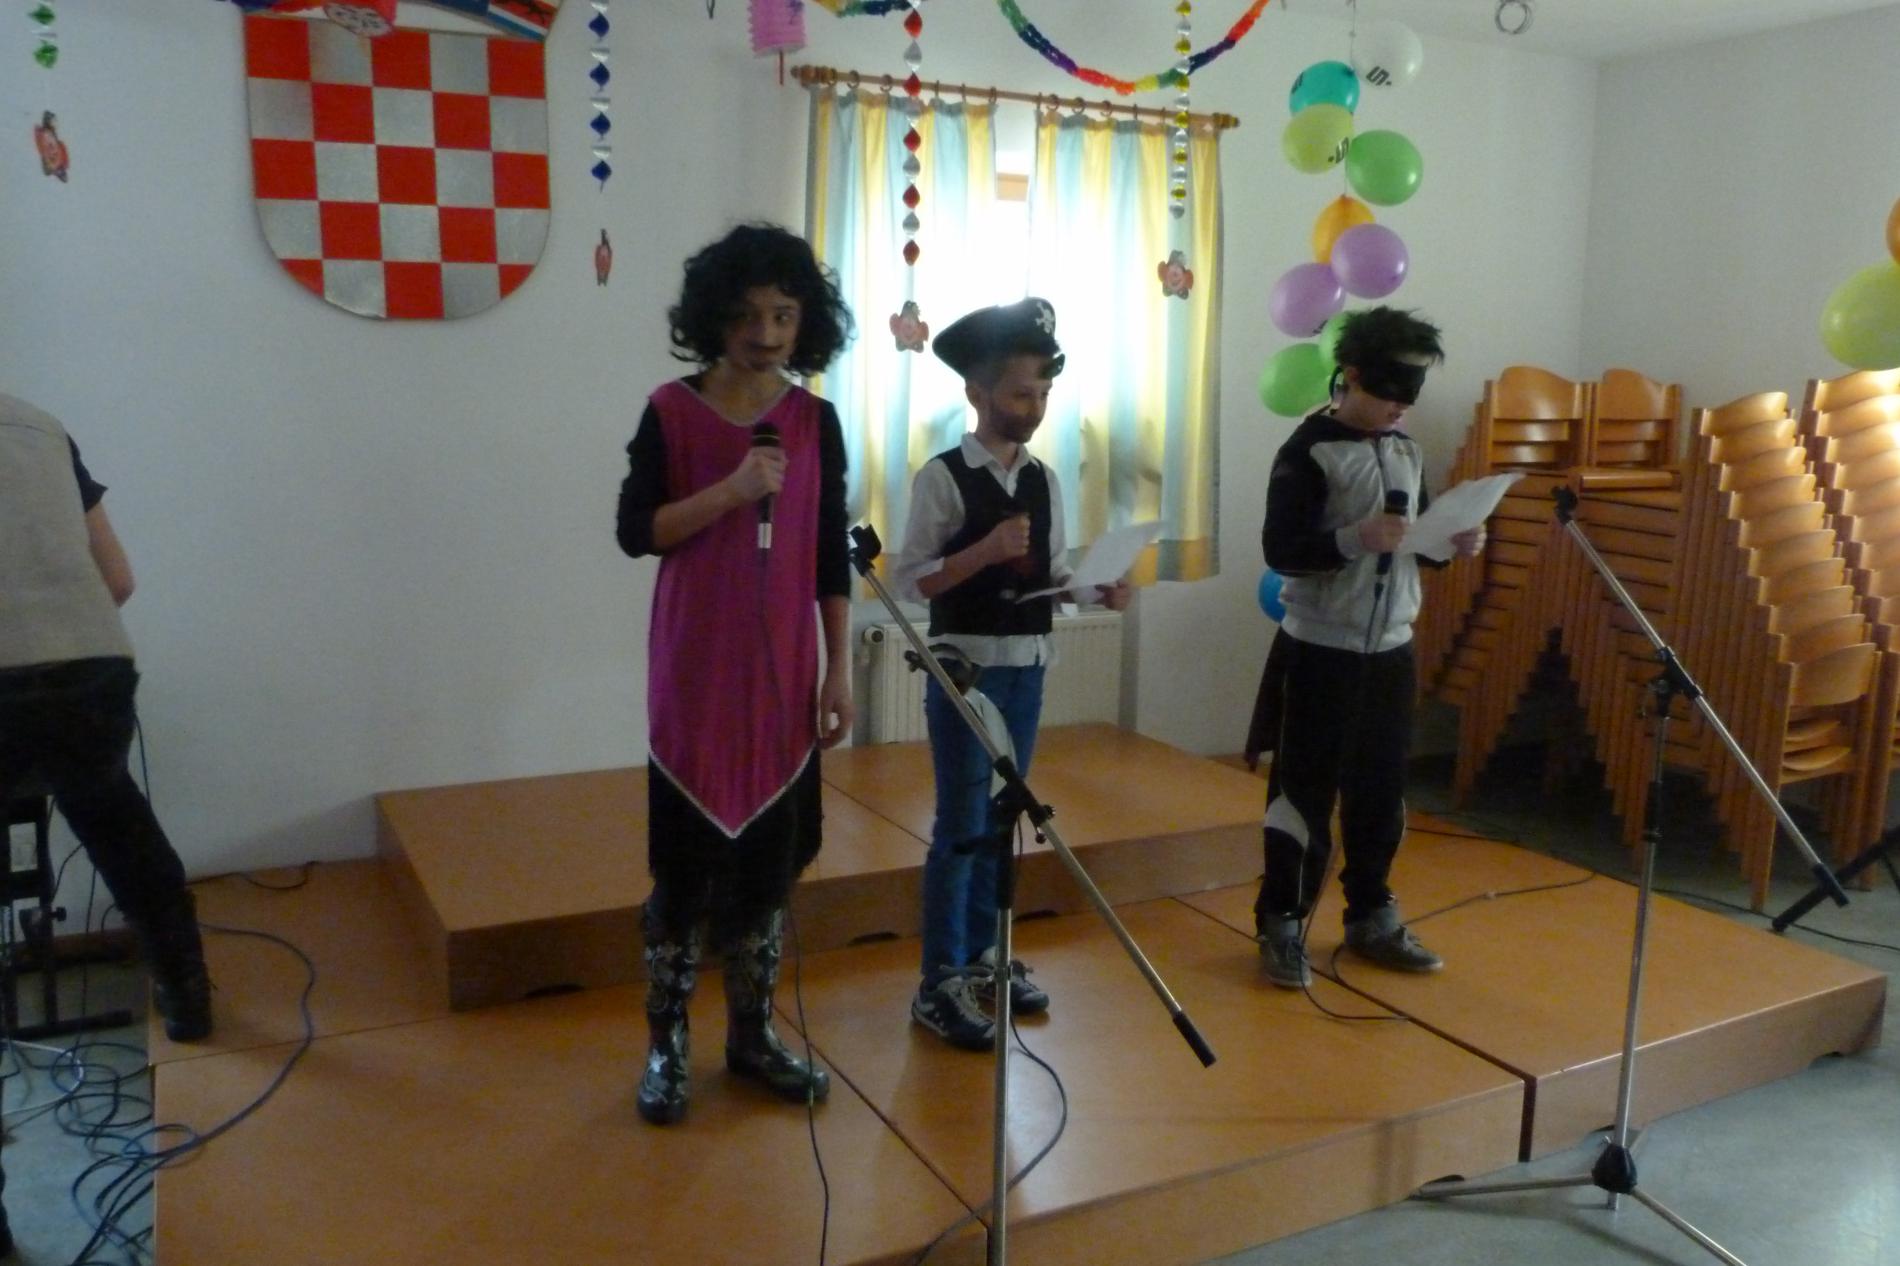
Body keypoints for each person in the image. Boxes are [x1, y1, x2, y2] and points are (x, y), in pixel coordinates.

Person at [615, 225, 854, 1125]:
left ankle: (751, 1036)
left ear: (805, 322)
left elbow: (829, 555)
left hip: (784, 679)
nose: (765, 334)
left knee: (767, 873)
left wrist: (838, 670)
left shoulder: (816, 422)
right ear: (715, 317)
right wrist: (732, 490)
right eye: (749, 315)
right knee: (684, 878)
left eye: (784, 316)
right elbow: (637, 532)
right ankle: (666, 1043)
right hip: (695, 678)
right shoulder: (669, 411)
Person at [0, 394, 217, 1252]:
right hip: (89, 672)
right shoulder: (37, 424)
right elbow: (117, 580)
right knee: (114, 820)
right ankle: (187, 999)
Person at [892, 298, 1131, 1051]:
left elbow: (1050, 574)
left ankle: (987, 955)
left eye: (1044, 393)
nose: (1034, 407)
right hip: (965, 673)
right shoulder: (943, 477)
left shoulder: (1044, 479)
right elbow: (911, 580)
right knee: (961, 824)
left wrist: (1091, 590)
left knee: (1004, 819)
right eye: (1021, 393)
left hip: (1027, 668)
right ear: (978, 393)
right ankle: (941, 977)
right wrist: (983, 552)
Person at [1248, 307, 1486, 989]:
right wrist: (1355, 538)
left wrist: (1451, 541)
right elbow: (1282, 550)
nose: (1400, 406)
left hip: (1390, 652)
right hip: (1319, 651)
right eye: (1390, 390)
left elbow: (1417, 544)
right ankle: (1282, 920)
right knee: (1303, 793)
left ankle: (1372, 914)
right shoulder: (1307, 452)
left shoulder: (1406, 451)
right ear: (1351, 375)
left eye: (1412, 392)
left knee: (1380, 791)